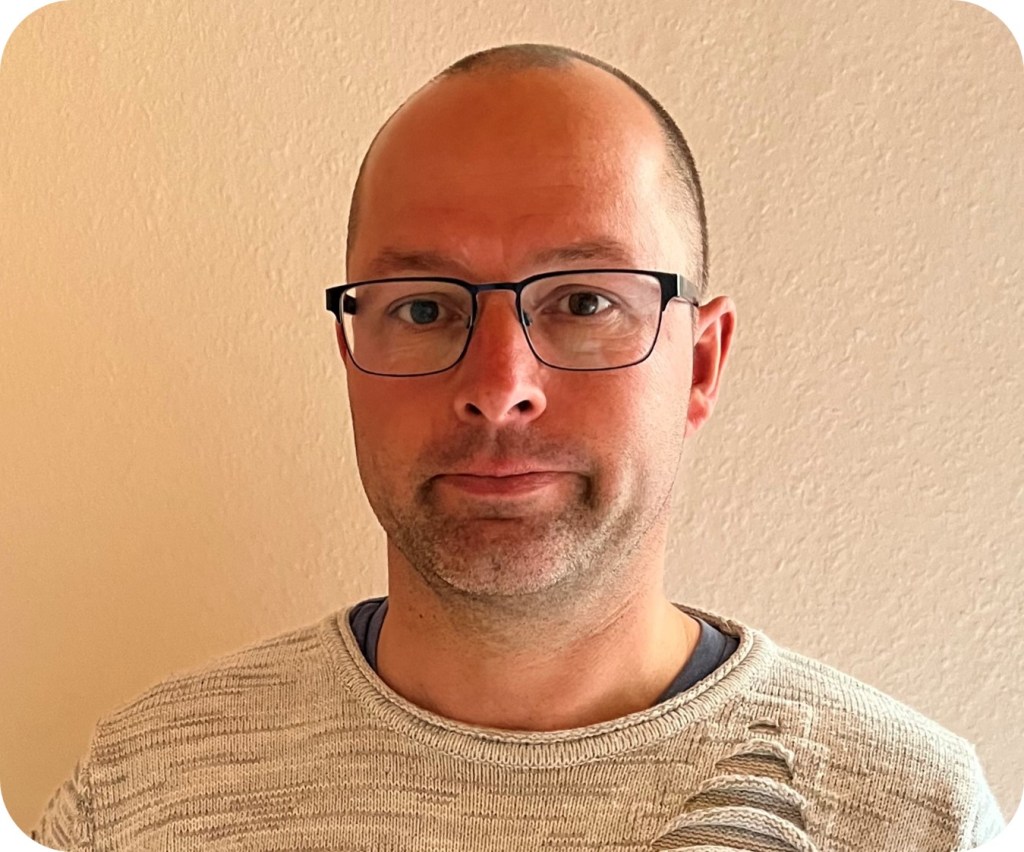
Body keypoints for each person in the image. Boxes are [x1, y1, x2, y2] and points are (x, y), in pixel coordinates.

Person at [31, 44, 1004, 852]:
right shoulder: (142, 794)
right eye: (423, 308)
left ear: (700, 364)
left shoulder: (913, 817)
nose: (499, 387)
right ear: (351, 354)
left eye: (584, 301)